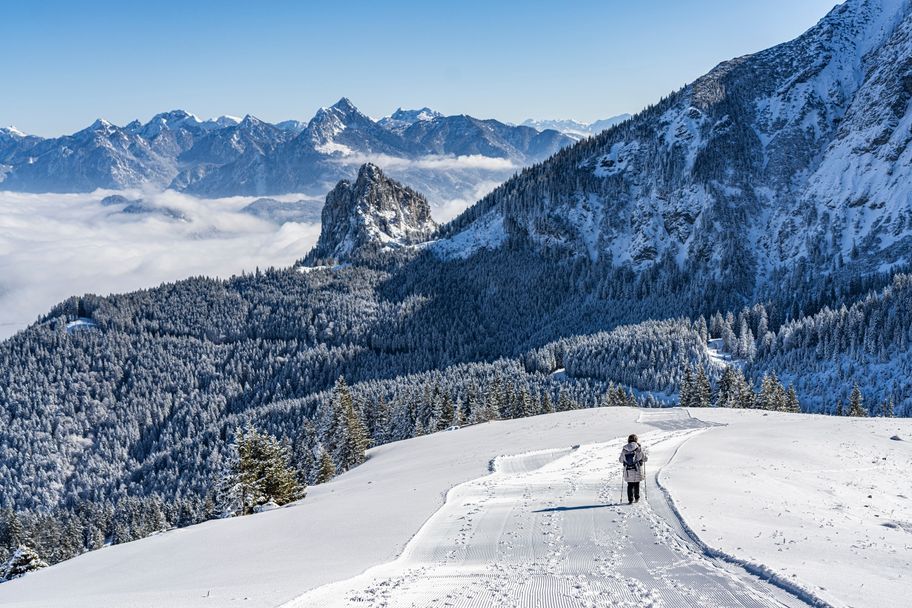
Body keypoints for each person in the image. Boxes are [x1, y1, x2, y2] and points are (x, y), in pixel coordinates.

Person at [619, 434, 647, 504]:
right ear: (636, 440)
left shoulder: (624, 449)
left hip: (628, 470)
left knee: (630, 485)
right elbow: (645, 459)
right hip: (637, 469)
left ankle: (630, 499)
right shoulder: (638, 448)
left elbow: (621, 460)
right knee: (636, 484)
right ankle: (637, 498)